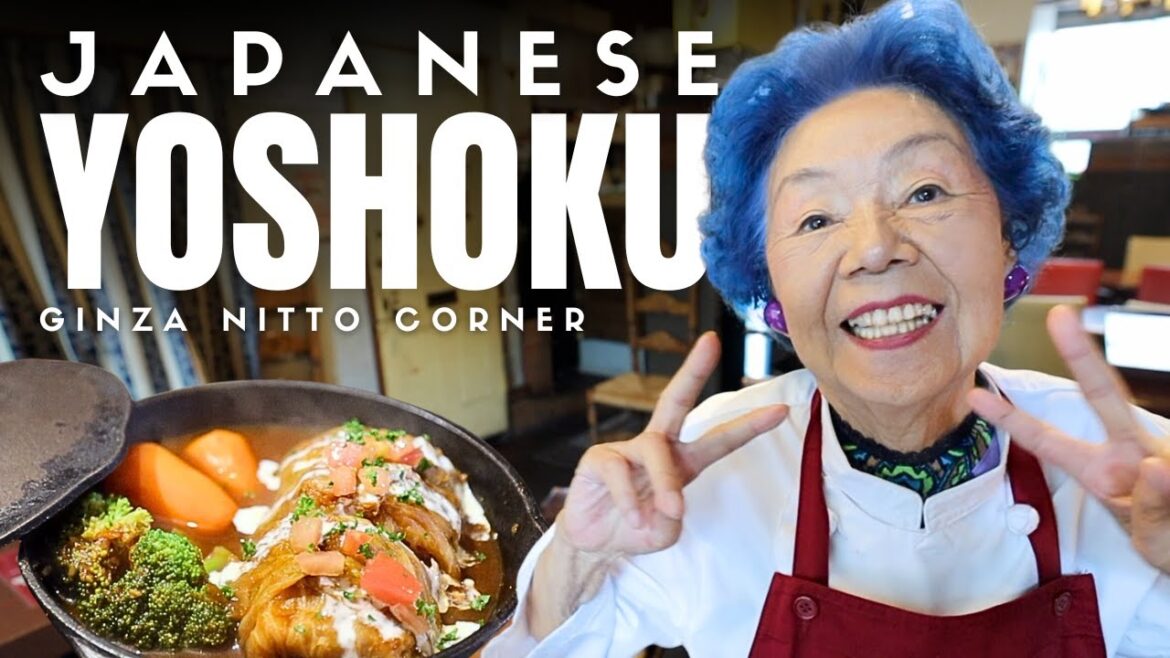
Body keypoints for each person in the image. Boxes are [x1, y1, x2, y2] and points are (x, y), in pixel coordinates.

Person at [485, 1, 1170, 656]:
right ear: (773, 293)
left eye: (924, 192)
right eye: (816, 218)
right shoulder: (701, 470)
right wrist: (582, 555)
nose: (874, 247)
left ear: (1007, 237)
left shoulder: (1134, 471)